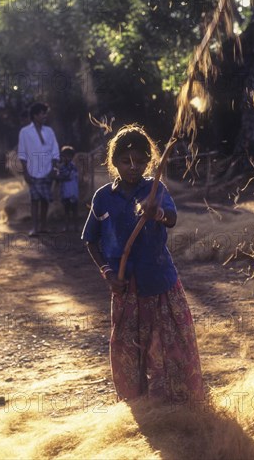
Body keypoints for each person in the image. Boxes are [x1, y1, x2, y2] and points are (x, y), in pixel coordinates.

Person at [81, 124, 204, 405]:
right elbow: (90, 240)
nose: (133, 167)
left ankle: (178, 402)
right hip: (125, 287)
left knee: (171, 346)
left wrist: (156, 212)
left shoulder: (154, 188)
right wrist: (108, 273)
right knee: (129, 349)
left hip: (159, 281)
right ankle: (138, 403)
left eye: (140, 161)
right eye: (126, 161)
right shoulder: (103, 197)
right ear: (114, 164)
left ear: (149, 162)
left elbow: (171, 218)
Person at [18, 102, 60, 236]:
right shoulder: (25, 132)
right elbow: (22, 153)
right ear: (35, 115)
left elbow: (55, 149)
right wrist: (25, 172)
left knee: (45, 200)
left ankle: (43, 226)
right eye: (42, 113)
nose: (45, 116)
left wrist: (54, 168)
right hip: (32, 170)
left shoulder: (49, 131)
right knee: (34, 200)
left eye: (45, 113)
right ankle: (34, 228)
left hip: (47, 169)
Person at [57, 145, 79, 232]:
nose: (66, 158)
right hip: (65, 192)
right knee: (66, 210)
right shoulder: (62, 167)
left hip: (73, 192)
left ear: (72, 157)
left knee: (74, 210)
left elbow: (69, 176)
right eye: (64, 156)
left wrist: (61, 176)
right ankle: (66, 226)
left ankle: (75, 226)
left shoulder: (73, 167)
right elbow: (60, 177)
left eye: (68, 156)